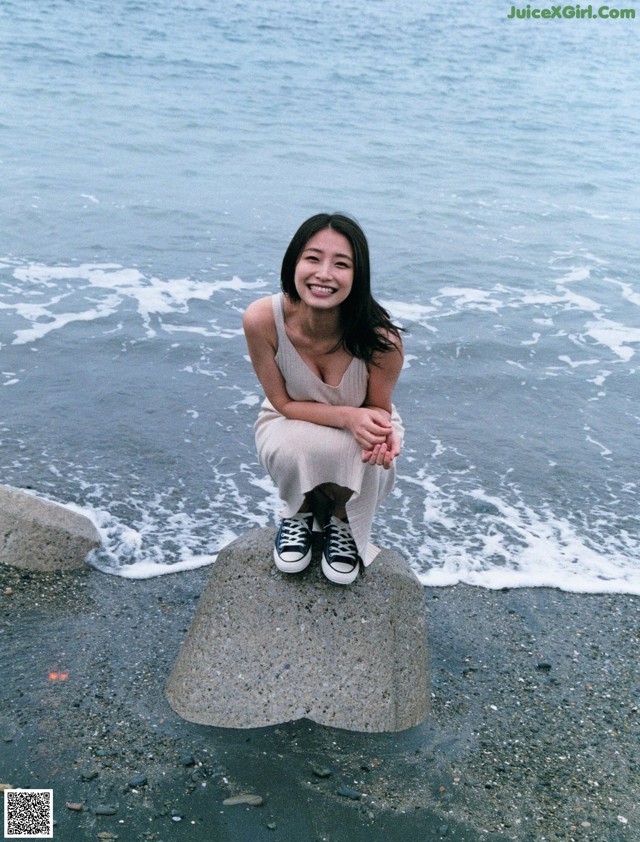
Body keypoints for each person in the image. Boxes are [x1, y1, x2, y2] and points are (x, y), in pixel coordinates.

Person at [242, 213, 404, 585]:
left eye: (341, 264)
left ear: (357, 275)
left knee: (372, 450)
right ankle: (299, 511)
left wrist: (376, 431)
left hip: (362, 415)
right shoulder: (262, 320)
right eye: (312, 258)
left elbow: (378, 408)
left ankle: (341, 521)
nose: (324, 274)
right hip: (288, 417)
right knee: (293, 443)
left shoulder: (383, 339)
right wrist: (347, 418)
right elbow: (282, 404)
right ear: (294, 262)